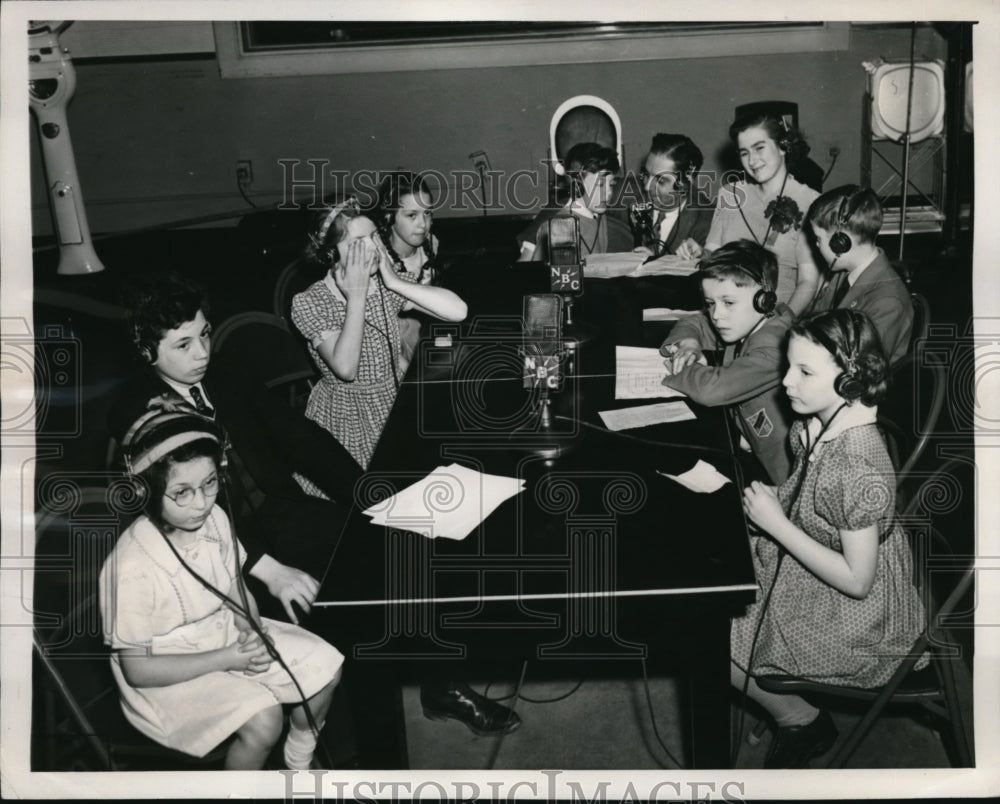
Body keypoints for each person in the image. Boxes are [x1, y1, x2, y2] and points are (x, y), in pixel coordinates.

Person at [108, 273, 362, 625]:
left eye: (205, 334)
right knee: (307, 619)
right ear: (147, 351)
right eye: (183, 345)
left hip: (279, 507)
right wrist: (268, 570)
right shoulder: (138, 413)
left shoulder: (228, 370)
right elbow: (183, 519)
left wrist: (368, 494)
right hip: (215, 547)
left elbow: (301, 439)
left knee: (371, 551)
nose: (201, 353)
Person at [99, 405, 344, 769]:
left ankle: (298, 763)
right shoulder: (132, 566)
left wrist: (253, 628)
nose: (201, 503)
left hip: (222, 636)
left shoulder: (215, 518)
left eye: (210, 483)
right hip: (164, 673)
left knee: (327, 667)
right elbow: (138, 670)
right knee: (265, 720)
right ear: (144, 492)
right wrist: (228, 658)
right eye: (182, 492)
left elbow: (234, 586)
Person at [733, 309, 926, 768]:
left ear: (850, 383)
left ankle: (801, 720)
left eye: (804, 371)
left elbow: (859, 580)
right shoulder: (822, 422)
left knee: (710, 629)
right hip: (819, 561)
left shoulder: (854, 463)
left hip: (858, 615)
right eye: (788, 366)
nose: (785, 383)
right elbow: (811, 495)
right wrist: (776, 504)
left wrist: (777, 524)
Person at [290, 199, 467, 472]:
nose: (373, 248)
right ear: (330, 254)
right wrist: (357, 295)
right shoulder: (310, 301)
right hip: (350, 418)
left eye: (374, 237)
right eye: (360, 242)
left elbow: (458, 311)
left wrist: (395, 282)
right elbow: (346, 368)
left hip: (393, 404)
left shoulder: (383, 284)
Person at [660, 240, 796, 484]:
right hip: (750, 446)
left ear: (764, 300)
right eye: (711, 303)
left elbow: (711, 390)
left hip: (783, 482)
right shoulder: (749, 321)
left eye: (728, 302)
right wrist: (689, 344)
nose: (717, 315)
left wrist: (683, 365)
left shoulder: (777, 346)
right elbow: (692, 323)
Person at [689, 111, 821, 316]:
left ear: (783, 146)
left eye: (759, 148)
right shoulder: (730, 194)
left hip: (778, 316)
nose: (752, 160)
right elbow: (711, 255)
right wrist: (698, 253)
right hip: (725, 314)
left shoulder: (810, 202)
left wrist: (781, 324)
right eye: (744, 153)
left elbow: (808, 281)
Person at [806, 185, 913, 364]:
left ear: (840, 243)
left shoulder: (888, 302)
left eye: (818, 239)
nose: (816, 245)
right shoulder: (842, 275)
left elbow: (860, 367)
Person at [517, 142, 632, 261]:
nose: (608, 193)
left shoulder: (598, 214)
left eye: (611, 184)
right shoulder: (559, 222)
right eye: (600, 184)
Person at [375, 171, 440, 373]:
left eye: (427, 213)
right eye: (412, 215)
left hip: (421, 345)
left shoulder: (432, 244)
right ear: (389, 216)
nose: (423, 224)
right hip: (386, 358)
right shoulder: (376, 257)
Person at [629, 133, 713, 259]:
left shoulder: (707, 220)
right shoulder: (627, 193)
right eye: (646, 174)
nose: (646, 187)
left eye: (661, 181)